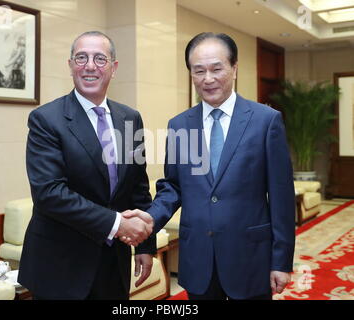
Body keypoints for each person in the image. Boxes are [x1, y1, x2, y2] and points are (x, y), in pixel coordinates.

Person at [123, 32, 295, 300]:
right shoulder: (179, 125)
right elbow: (173, 186)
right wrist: (150, 219)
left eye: (217, 68)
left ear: (234, 68)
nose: (208, 78)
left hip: (250, 257)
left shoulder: (265, 121)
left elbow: (281, 196)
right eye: (199, 70)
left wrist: (281, 261)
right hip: (198, 259)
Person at [18, 31, 155, 300]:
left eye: (99, 59)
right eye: (81, 57)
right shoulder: (46, 119)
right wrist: (117, 223)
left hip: (113, 263)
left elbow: (138, 187)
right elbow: (49, 193)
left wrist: (144, 246)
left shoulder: (130, 118)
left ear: (113, 68)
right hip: (61, 265)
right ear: (70, 65)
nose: (90, 66)